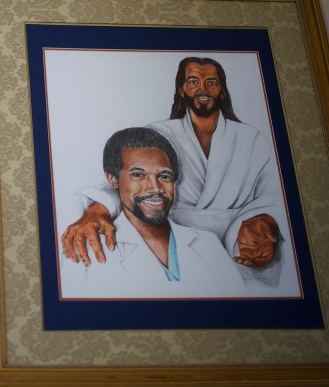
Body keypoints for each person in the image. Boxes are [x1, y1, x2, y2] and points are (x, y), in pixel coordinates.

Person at [61, 57, 289, 289]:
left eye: (211, 82)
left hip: (240, 248)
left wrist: (261, 220)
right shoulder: (158, 134)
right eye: (193, 81)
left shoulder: (252, 139)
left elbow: (275, 195)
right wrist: (96, 211)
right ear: (181, 89)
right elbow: (125, 179)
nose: (203, 89)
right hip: (168, 236)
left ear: (222, 91)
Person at [60, 127, 245, 298]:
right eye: (138, 175)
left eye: (164, 176)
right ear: (113, 179)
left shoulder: (208, 244)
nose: (155, 188)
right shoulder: (86, 249)